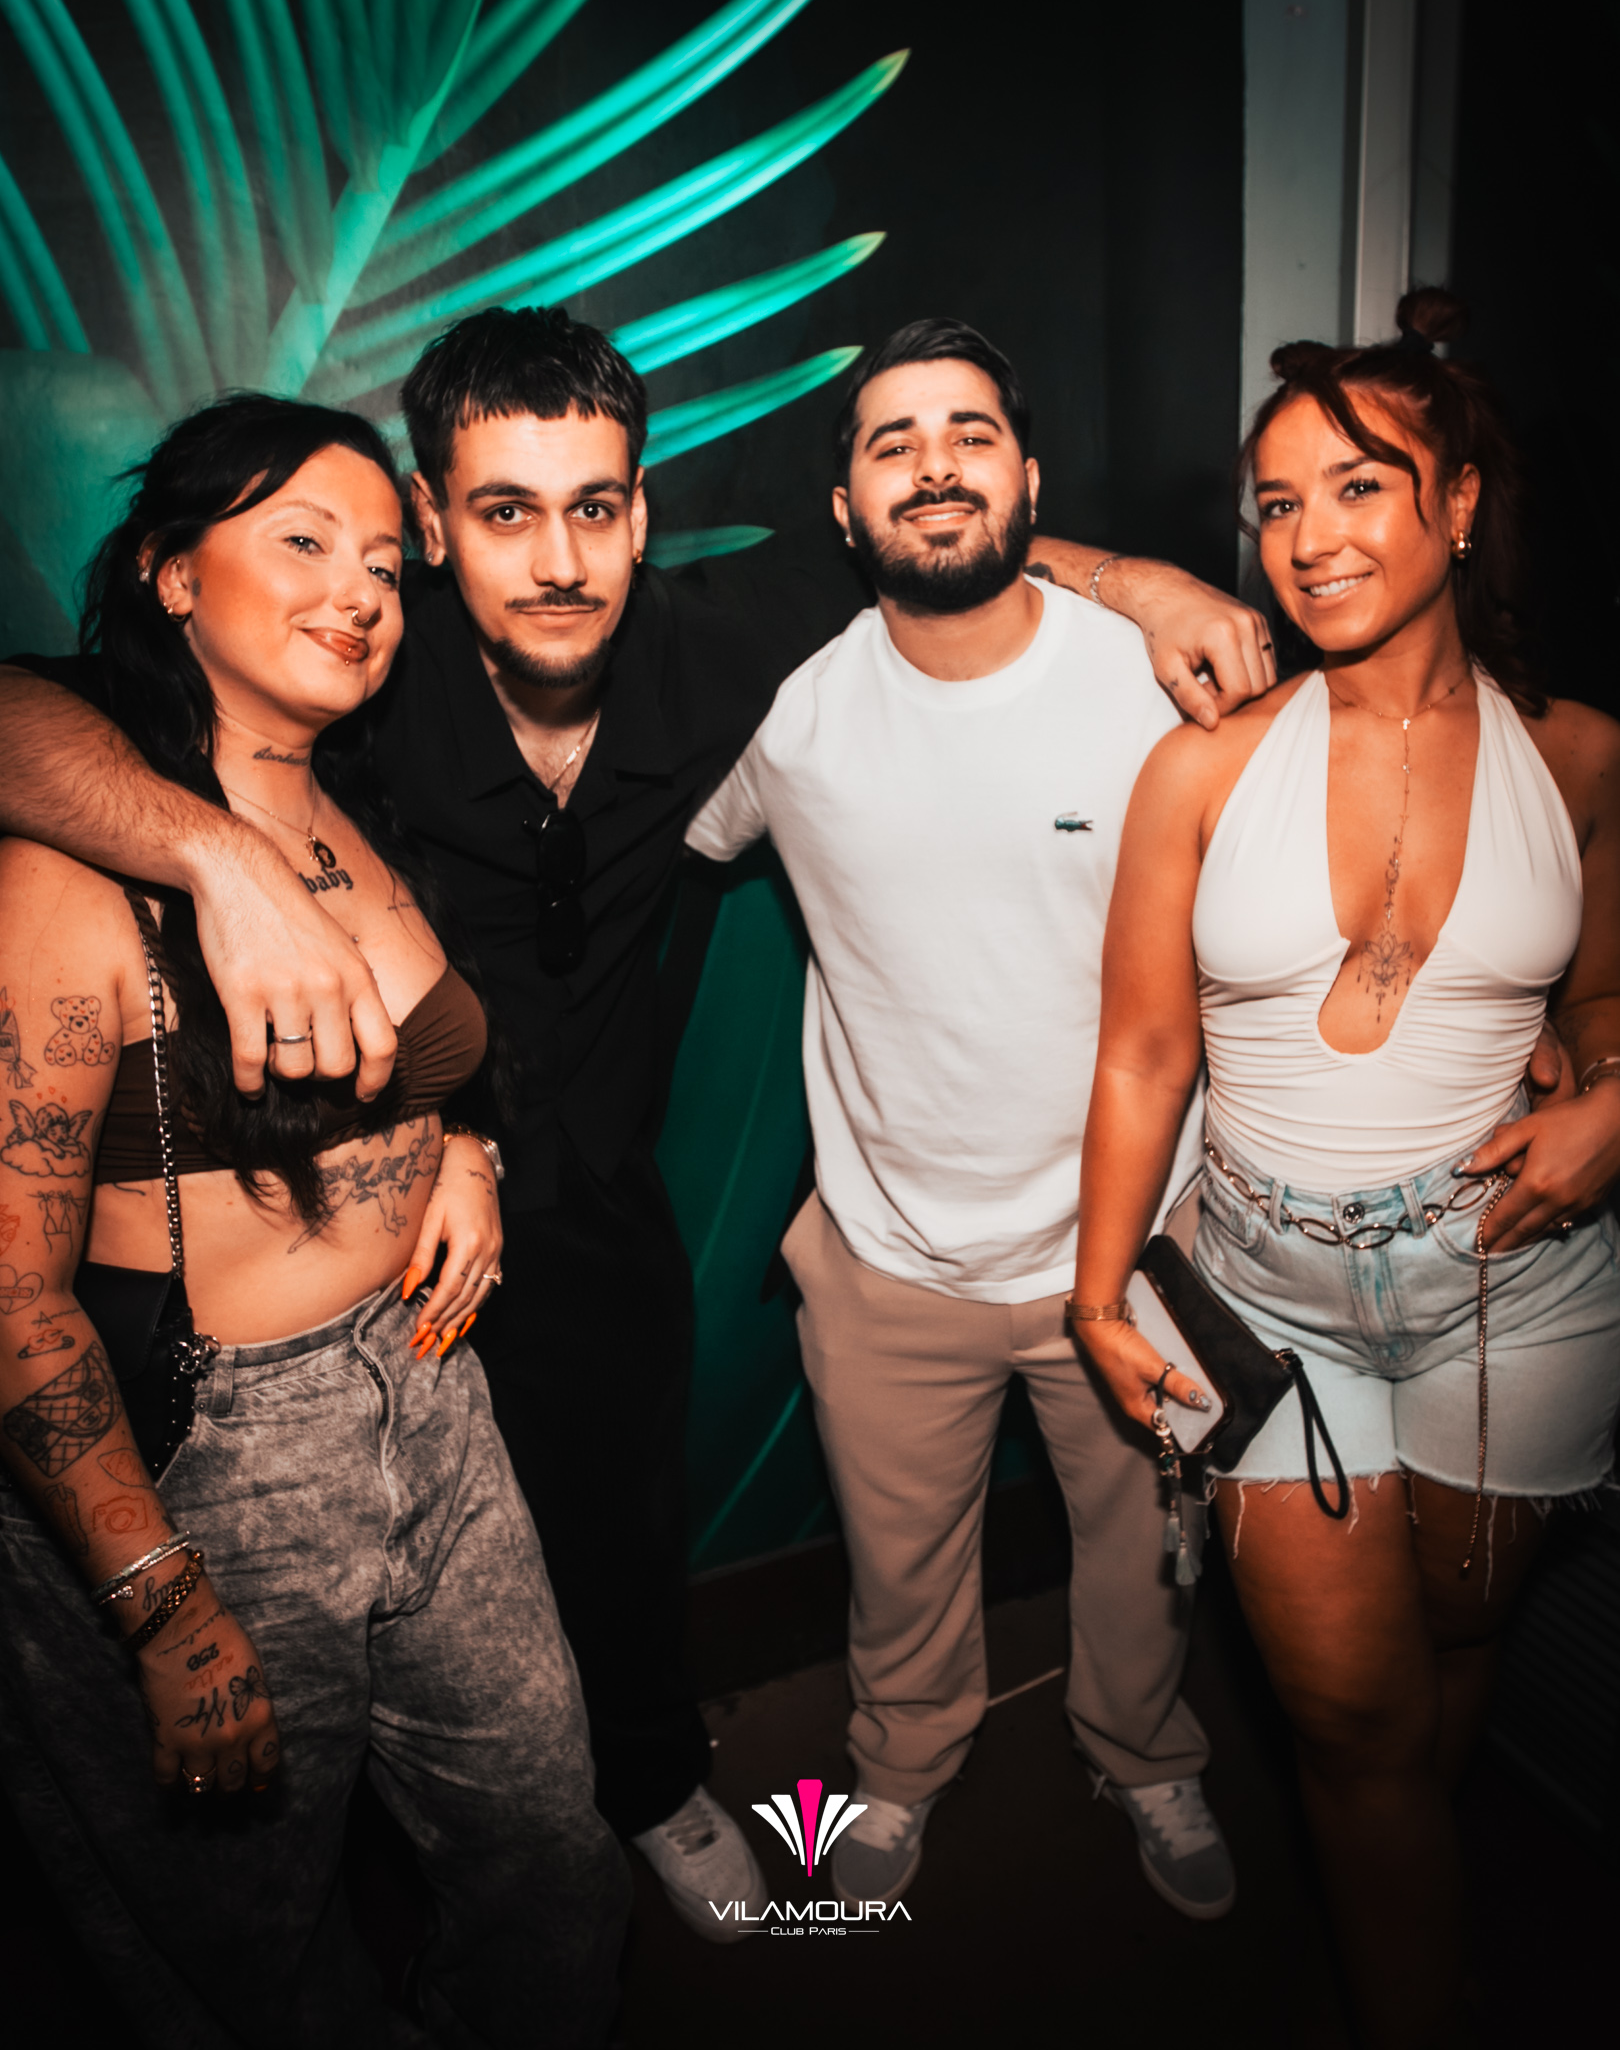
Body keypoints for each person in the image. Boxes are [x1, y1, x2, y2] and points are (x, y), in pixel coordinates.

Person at [0, 306, 1275, 1940]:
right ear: (436, 522)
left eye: (593, 508)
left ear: (640, 512)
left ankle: (658, 1783)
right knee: (280, 1780)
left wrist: (1146, 583)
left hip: (592, 1199)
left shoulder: (728, 646)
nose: (557, 561)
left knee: (614, 1524)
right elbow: (30, 718)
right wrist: (217, 860)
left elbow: (939, 531)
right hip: (320, 1272)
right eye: (505, 512)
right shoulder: (362, 671)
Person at [0, 395, 628, 2049]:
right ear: (172, 573)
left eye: (382, 564)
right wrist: (158, 1599)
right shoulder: (79, 865)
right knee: (247, 1955)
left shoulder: (358, 800)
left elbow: (422, 1052)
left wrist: (462, 1146)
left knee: (551, 1862)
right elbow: (9, 1296)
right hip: (212, 1458)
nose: (358, 588)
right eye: (301, 541)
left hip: (429, 1389)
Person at [1069, 290, 1620, 2047]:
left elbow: (1605, 1003)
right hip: (1265, 1294)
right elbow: (1143, 1055)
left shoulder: (1581, 755)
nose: (1307, 538)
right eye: (1277, 503)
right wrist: (1096, 1292)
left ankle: (1412, 1913)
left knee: (1452, 1648)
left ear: (1458, 504)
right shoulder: (1197, 771)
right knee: (1354, 1726)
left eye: (1358, 487)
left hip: (1517, 1282)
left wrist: (1616, 1098)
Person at [686, 319, 1239, 1920]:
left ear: (1030, 480)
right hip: (887, 1258)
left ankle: (1144, 1753)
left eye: (970, 434)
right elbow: (687, 836)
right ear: (845, 509)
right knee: (898, 1564)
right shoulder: (787, 714)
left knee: (1144, 1556)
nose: (935, 466)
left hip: (1133, 1247)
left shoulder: (1156, 679)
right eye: (895, 443)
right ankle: (904, 1762)